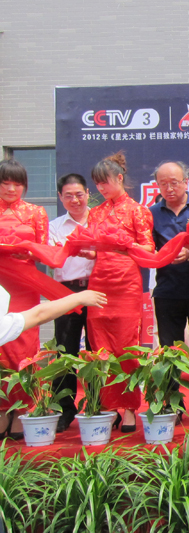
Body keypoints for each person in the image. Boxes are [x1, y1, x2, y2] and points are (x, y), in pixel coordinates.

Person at [84, 152, 155, 432]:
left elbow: (148, 248)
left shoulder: (138, 210)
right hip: (99, 282)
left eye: (105, 182)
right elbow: (93, 247)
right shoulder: (95, 213)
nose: (101, 188)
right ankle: (108, 406)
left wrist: (124, 246)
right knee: (100, 346)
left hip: (126, 282)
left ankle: (129, 408)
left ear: (120, 178)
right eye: (97, 183)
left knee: (126, 346)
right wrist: (83, 249)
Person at [149, 161, 189, 417]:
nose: (169, 188)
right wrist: (162, 255)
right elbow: (147, 249)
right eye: (163, 184)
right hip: (167, 291)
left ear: (186, 182)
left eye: (174, 182)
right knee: (170, 351)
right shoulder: (151, 213)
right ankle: (173, 404)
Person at [0, 159, 51, 438]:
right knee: (1, 345)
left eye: (17, 184)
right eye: (5, 183)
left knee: (23, 342)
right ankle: (2, 409)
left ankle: (23, 408)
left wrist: (27, 253)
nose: (11, 189)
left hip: (23, 284)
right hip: (0, 283)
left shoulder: (36, 212)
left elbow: (43, 250)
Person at [49, 173, 96, 432]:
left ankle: (97, 404)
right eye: (68, 196)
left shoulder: (100, 220)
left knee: (96, 349)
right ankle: (64, 409)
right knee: (65, 350)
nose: (75, 200)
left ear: (88, 193)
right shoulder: (55, 226)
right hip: (66, 291)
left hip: (98, 288)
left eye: (79, 194)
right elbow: (50, 256)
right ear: (60, 197)